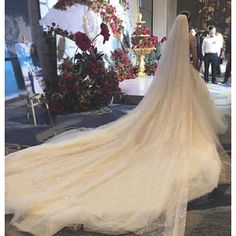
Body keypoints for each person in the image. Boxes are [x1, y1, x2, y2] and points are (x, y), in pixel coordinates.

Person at [5, 15, 228, 236]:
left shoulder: (174, 42)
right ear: (187, 25)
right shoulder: (189, 39)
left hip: (172, 82)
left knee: (164, 111)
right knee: (191, 113)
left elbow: (168, 63)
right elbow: (195, 60)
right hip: (187, 78)